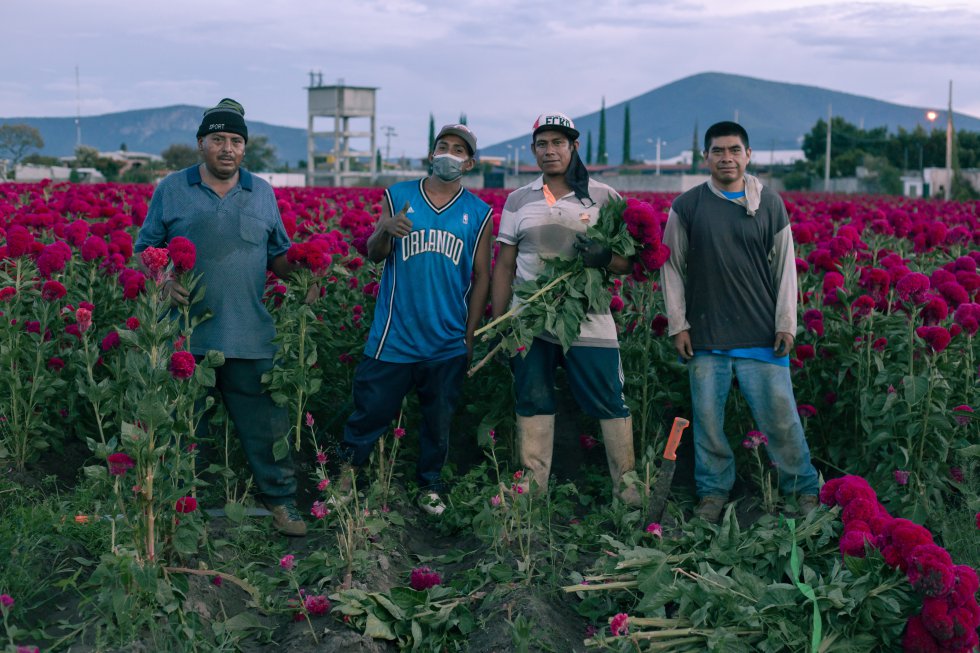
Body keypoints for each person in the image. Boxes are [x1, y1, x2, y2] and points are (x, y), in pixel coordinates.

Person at [135, 98, 308, 536]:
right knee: (183, 428)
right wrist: (161, 279)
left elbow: (278, 255)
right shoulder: (172, 189)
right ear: (201, 144)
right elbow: (144, 250)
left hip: (250, 334)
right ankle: (178, 506)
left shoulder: (262, 192)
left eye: (235, 141)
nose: (227, 148)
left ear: (244, 148)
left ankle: (282, 502)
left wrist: (307, 265)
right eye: (218, 139)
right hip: (187, 337)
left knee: (267, 428)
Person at [661, 120, 820, 523]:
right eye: (718, 151)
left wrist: (787, 323)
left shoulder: (769, 203)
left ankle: (802, 490)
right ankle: (712, 493)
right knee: (708, 423)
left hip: (760, 332)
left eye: (734, 150)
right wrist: (678, 324)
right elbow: (672, 268)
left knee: (781, 418)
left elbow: (786, 268)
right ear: (706, 158)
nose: (727, 158)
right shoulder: (687, 207)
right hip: (706, 332)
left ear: (748, 155)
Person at [335, 124, 493, 516]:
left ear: (469, 163)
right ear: (430, 154)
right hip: (394, 335)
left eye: (459, 150)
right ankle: (345, 476)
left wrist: (468, 335)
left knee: (438, 420)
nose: (449, 154)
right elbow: (374, 253)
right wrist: (384, 231)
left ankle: (430, 484)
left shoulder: (478, 212)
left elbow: (483, 276)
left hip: (445, 338)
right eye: (443, 146)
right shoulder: (400, 196)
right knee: (369, 412)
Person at [491, 112, 641, 506]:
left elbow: (631, 262)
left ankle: (628, 488)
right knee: (533, 396)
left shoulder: (605, 197)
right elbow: (504, 263)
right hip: (530, 318)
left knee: (609, 398)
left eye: (559, 143)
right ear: (533, 150)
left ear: (574, 147)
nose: (550, 151)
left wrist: (605, 256)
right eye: (542, 144)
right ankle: (531, 486)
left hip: (588, 317)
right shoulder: (518, 199)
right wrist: (500, 319)